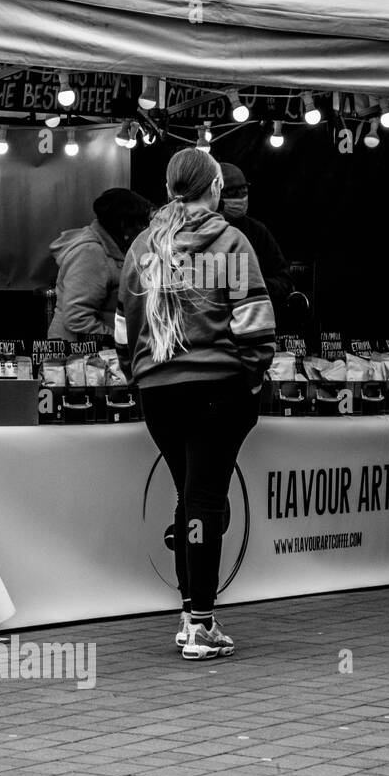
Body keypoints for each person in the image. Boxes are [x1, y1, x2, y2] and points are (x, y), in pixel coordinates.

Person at [115, 148, 276, 660]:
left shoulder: (143, 246)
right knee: (205, 498)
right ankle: (201, 624)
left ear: (169, 190)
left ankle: (192, 616)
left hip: (158, 391)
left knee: (191, 497)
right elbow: (254, 324)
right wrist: (252, 379)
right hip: (217, 389)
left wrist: (137, 375)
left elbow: (124, 326)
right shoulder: (231, 241)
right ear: (214, 189)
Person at [47, 188, 153, 342]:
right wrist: (121, 341)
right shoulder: (90, 253)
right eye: (140, 225)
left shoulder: (114, 247)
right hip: (77, 355)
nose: (143, 231)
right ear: (124, 226)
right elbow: (77, 317)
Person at [218, 162, 303, 327]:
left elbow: (285, 281)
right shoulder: (203, 232)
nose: (241, 198)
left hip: (253, 323)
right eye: (234, 193)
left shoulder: (258, 232)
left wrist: (255, 286)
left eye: (244, 192)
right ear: (217, 195)